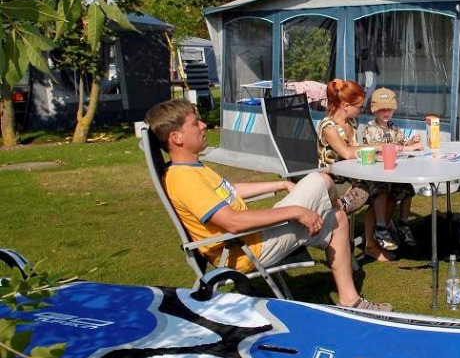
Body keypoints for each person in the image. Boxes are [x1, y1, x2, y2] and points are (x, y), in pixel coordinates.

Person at [145, 99, 390, 312]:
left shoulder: (192, 168)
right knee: (321, 180)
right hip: (245, 250)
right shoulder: (184, 179)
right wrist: (296, 211)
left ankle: (350, 300)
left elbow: (228, 191)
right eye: (194, 123)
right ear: (176, 138)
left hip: (252, 239)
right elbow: (233, 222)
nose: (203, 125)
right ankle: (342, 203)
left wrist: (280, 185)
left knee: (337, 218)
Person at [316, 79, 392, 262]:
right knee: (368, 191)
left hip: (352, 176)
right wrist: (378, 147)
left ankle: (374, 240)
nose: (361, 110)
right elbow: (347, 153)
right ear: (345, 105)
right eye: (359, 107)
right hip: (333, 182)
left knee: (386, 188)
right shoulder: (328, 127)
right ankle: (336, 215)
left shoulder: (352, 122)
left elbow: (355, 154)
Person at [361, 87, 424, 251]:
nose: (386, 112)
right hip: (376, 173)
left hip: (392, 172)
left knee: (408, 190)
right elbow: (383, 148)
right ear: (374, 109)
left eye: (389, 109)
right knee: (381, 191)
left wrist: (412, 141)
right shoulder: (370, 128)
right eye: (382, 109)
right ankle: (381, 228)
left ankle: (403, 223)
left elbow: (402, 141)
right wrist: (407, 148)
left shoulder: (393, 127)